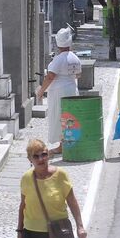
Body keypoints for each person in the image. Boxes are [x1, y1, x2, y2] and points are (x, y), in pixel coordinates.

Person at [35, 27, 81, 155]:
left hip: (59, 92)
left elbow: (50, 77)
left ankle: (62, 145)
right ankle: (69, 143)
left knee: (59, 116)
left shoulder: (59, 59)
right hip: (72, 88)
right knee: (70, 116)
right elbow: (79, 74)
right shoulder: (74, 58)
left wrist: (41, 91)